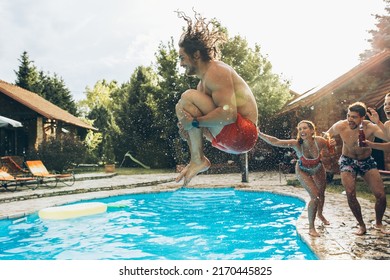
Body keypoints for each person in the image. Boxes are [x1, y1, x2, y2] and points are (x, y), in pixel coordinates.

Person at [175, 11, 258, 186]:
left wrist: (195, 122)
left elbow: (229, 115)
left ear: (196, 55)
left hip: (244, 133)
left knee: (186, 98)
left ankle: (198, 160)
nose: (181, 64)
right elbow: (205, 121)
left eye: (182, 58)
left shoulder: (216, 71)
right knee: (182, 107)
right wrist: (188, 130)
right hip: (226, 141)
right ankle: (198, 160)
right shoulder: (202, 85)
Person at [325, 101, 390, 235]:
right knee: (350, 192)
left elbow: (387, 136)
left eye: (354, 117)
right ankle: (361, 225)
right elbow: (326, 134)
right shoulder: (341, 125)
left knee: (381, 195)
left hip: (366, 161)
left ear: (362, 118)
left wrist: (378, 122)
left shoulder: (370, 127)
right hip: (347, 160)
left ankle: (378, 223)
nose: (350, 119)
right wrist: (329, 141)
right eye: (348, 116)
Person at [259, 120, 331, 237]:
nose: (302, 131)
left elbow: (330, 147)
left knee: (322, 193)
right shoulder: (296, 144)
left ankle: (320, 214)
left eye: (305, 128)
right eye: (300, 129)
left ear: (312, 130)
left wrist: (331, 144)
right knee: (315, 196)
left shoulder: (320, 141)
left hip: (318, 167)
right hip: (302, 170)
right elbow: (275, 141)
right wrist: (259, 134)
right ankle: (311, 228)